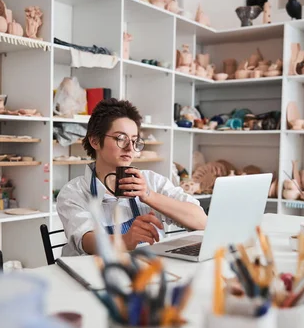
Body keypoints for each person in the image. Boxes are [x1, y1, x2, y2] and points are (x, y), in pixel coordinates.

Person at [56, 99, 207, 257]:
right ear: (94, 141)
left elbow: (202, 222)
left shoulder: (152, 181)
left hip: (145, 270)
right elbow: (86, 241)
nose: (130, 148)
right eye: (121, 139)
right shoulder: (74, 192)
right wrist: (126, 240)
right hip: (95, 273)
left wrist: (149, 195)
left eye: (135, 141)